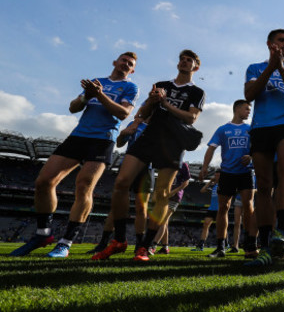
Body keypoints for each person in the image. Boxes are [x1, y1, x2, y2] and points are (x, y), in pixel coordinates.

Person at [11, 52, 139, 257]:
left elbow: (123, 113)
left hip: (102, 139)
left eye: (130, 63)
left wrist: (99, 95)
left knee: (84, 185)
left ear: (132, 70)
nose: (126, 63)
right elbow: (73, 107)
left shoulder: (131, 87)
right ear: (114, 62)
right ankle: (43, 233)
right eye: (123, 60)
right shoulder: (96, 82)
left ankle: (65, 242)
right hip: (78, 136)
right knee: (44, 181)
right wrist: (88, 95)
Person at [93, 49, 205, 261]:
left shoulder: (197, 92)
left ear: (196, 67)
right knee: (122, 182)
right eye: (181, 58)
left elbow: (191, 118)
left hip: (173, 142)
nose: (184, 61)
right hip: (149, 136)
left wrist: (165, 104)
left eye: (189, 60)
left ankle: (145, 246)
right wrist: (146, 109)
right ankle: (119, 240)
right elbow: (143, 112)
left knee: (162, 194)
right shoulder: (161, 85)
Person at [244, 29, 284, 266]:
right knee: (264, 184)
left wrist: (281, 68)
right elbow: (249, 94)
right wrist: (271, 66)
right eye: (281, 40)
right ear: (270, 44)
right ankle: (267, 242)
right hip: (261, 126)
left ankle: (280, 230)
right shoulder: (254, 68)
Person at [199, 99, 257, 259]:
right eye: (246, 109)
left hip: (245, 173)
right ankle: (220, 247)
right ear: (237, 109)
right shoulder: (223, 129)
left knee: (248, 206)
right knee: (223, 207)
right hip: (227, 173)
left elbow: (259, 147)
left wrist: (251, 156)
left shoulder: (251, 128)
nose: (248, 112)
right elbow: (211, 147)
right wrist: (205, 167)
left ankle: (250, 244)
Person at [88, 116, 155, 255]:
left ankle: (139, 245)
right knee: (116, 207)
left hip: (146, 169)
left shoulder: (159, 128)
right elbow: (119, 143)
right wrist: (127, 131)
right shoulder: (135, 124)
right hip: (128, 165)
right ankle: (103, 243)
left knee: (141, 208)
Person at [150, 162, 191, 255]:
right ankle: (165, 247)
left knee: (162, 221)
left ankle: (153, 246)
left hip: (175, 197)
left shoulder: (183, 165)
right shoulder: (165, 163)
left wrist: (173, 192)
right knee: (165, 222)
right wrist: (155, 193)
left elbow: (186, 182)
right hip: (163, 197)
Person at [192, 172, 220, 251]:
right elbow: (202, 190)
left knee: (220, 227)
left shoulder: (224, 184)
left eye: (218, 175)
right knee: (205, 225)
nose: (216, 177)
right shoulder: (213, 185)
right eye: (215, 175)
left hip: (219, 209)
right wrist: (210, 181)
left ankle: (225, 244)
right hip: (211, 209)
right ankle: (201, 245)